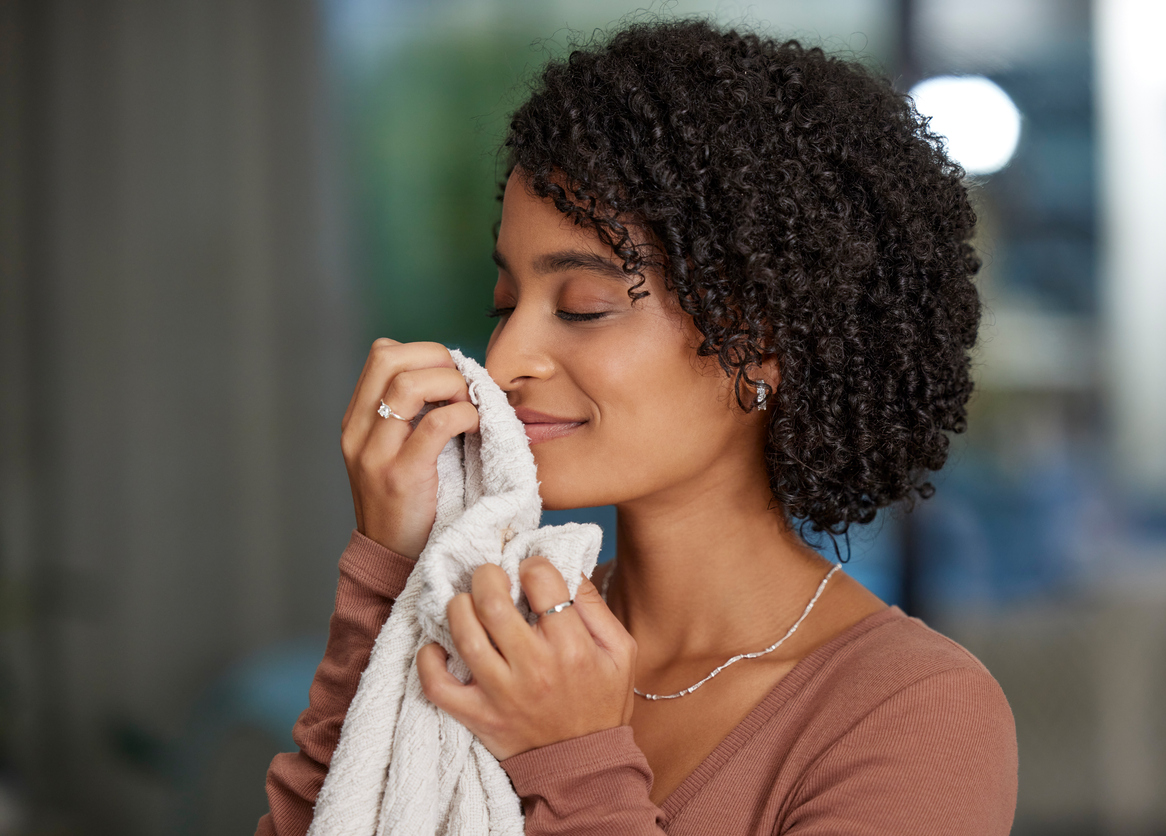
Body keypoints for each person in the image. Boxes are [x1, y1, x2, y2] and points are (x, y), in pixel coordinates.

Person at [257, 17, 1017, 836]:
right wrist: (390, 576)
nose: (506, 359)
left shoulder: (915, 710)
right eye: (504, 305)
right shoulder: (493, 631)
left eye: (582, 308)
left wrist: (576, 762)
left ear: (761, 344)